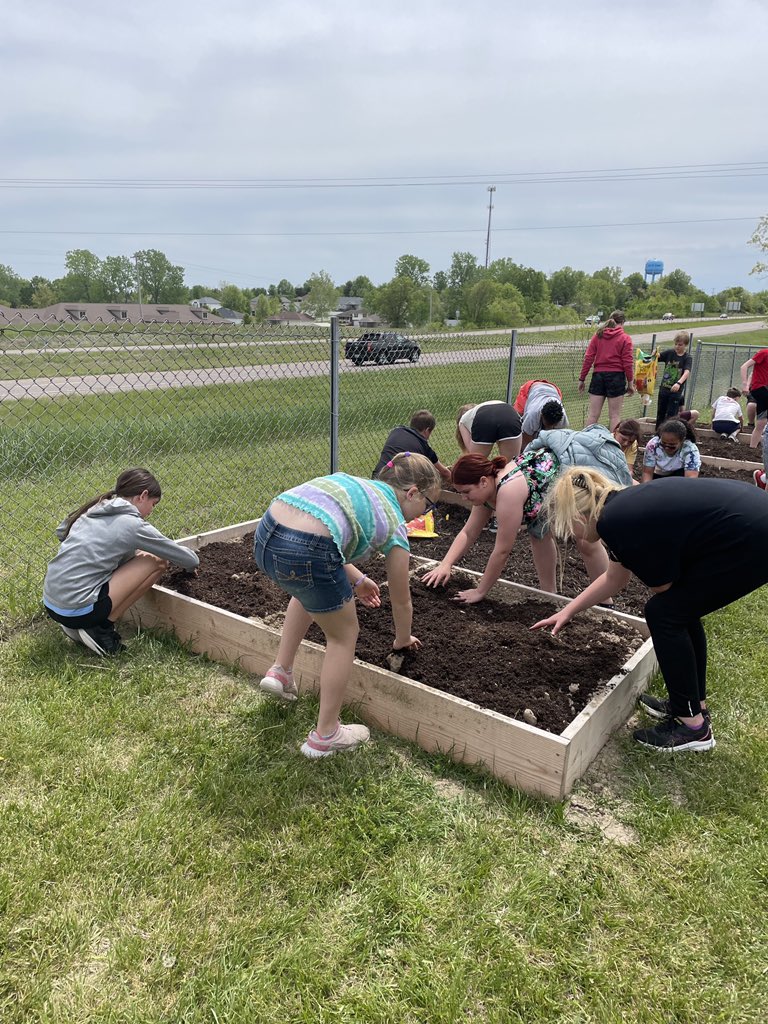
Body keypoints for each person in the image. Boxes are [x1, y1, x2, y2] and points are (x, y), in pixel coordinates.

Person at [532, 469, 768, 752]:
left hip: (753, 536)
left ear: (579, 515)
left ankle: (692, 727)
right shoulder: (618, 508)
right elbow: (614, 579)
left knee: (665, 613)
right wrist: (568, 611)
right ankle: (692, 707)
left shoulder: (614, 521)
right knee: (678, 610)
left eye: (568, 525)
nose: (571, 535)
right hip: (753, 519)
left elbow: (663, 587)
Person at [253, 452, 441, 759]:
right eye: (429, 505)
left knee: (306, 590)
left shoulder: (356, 486)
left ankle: (280, 672)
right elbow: (401, 598)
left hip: (267, 533)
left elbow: (322, 529)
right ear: (412, 493)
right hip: (307, 548)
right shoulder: (394, 524)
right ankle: (326, 736)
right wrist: (402, 638)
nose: (424, 513)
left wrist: (358, 580)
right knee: (343, 635)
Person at [421, 425, 632, 601]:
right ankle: (549, 595)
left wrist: (480, 591)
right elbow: (468, 532)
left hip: (565, 477)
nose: (464, 498)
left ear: (483, 481)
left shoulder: (507, 492)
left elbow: (502, 551)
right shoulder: (485, 491)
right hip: (539, 492)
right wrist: (446, 564)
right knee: (538, 534)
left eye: (466, 492)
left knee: (586, 541)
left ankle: (605, 602)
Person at [43, 467, 199, 655]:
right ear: (143, 495)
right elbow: (188, 558)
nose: (151, 511)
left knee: (133, 554)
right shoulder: (132, 524)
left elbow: (61, 532)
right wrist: (190, 569)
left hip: (52, 603)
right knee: (158, 560)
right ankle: (101, 629)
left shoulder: (95, 508)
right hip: (78, 608)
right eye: (153, 504)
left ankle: (77, 623)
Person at [578, 310, 634, 430]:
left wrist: (582, 378)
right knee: (614, 416)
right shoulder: (625, 338)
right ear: (622, 322)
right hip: (616, 377)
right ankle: (612, 440)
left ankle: (584, 439)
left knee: (593, 415)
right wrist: (630, 383)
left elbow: (588, 358)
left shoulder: (598, 335)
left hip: (598, 376)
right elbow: (628, 363)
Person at [373, 409, 451, 481]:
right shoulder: (423, 445)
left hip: (377, 477)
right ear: (427, 430)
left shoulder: (396, 431)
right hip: (396, 484)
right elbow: (444, 472)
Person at [455, 400, 523, 462]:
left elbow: (469, 454)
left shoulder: (463, 421)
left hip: (484, 418)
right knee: (511, 464)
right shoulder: (480, 409)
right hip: (510, 414)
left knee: (476, 463)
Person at [512, 379, 569, 449]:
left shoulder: (562, 416)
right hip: (530, 388)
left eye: (553, 426)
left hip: (553, 390)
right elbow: (526, 438)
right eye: (547, 424)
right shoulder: (532, 414)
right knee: (518, 423)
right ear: (541, 415)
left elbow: (559, 438)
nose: (549, 428)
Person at [655, 331, 693, 428]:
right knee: (660, 413)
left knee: (671, 415)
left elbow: (686, 372)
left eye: (680, 345)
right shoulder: (670, 353)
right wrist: (655, 354)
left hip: (675, 391)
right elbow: (657, 357)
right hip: (664, 388)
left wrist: (678, 383)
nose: (677, 346)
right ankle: (658, 432)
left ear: (685, 345)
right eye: (676, 344)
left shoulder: (687, 358)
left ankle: (669, 432)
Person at [740, 348, 768, 449]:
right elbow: (744, 366)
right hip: (760, 388)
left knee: (762, 421)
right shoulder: (764, 353)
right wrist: (745, 385)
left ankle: (752, 447)